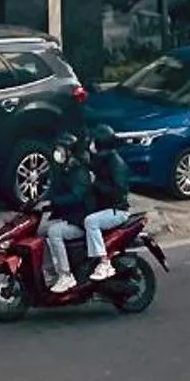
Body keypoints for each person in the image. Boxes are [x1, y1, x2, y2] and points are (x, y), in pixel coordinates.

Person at [38, 133, 94, 295]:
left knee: (54, 232)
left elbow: (76, 197)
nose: (57, 153)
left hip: (80, 221)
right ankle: (50, 273)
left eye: (61, 150)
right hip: (67, 218)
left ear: (69, 151)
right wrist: (38, 201)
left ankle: (65, 275)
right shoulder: (63, 169)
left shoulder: (79, 171)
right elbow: (52, 190)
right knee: (40, 231)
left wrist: (52, 203)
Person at [80, 125, 134, 283]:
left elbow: (119, 191)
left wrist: (95, 184)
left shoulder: (117, 164)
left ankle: (104, 263)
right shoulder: (103, 159)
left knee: (91, 222)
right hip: (104, 208)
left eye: (94, 142)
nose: (92, 145)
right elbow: (90, 163)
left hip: (117, 210)